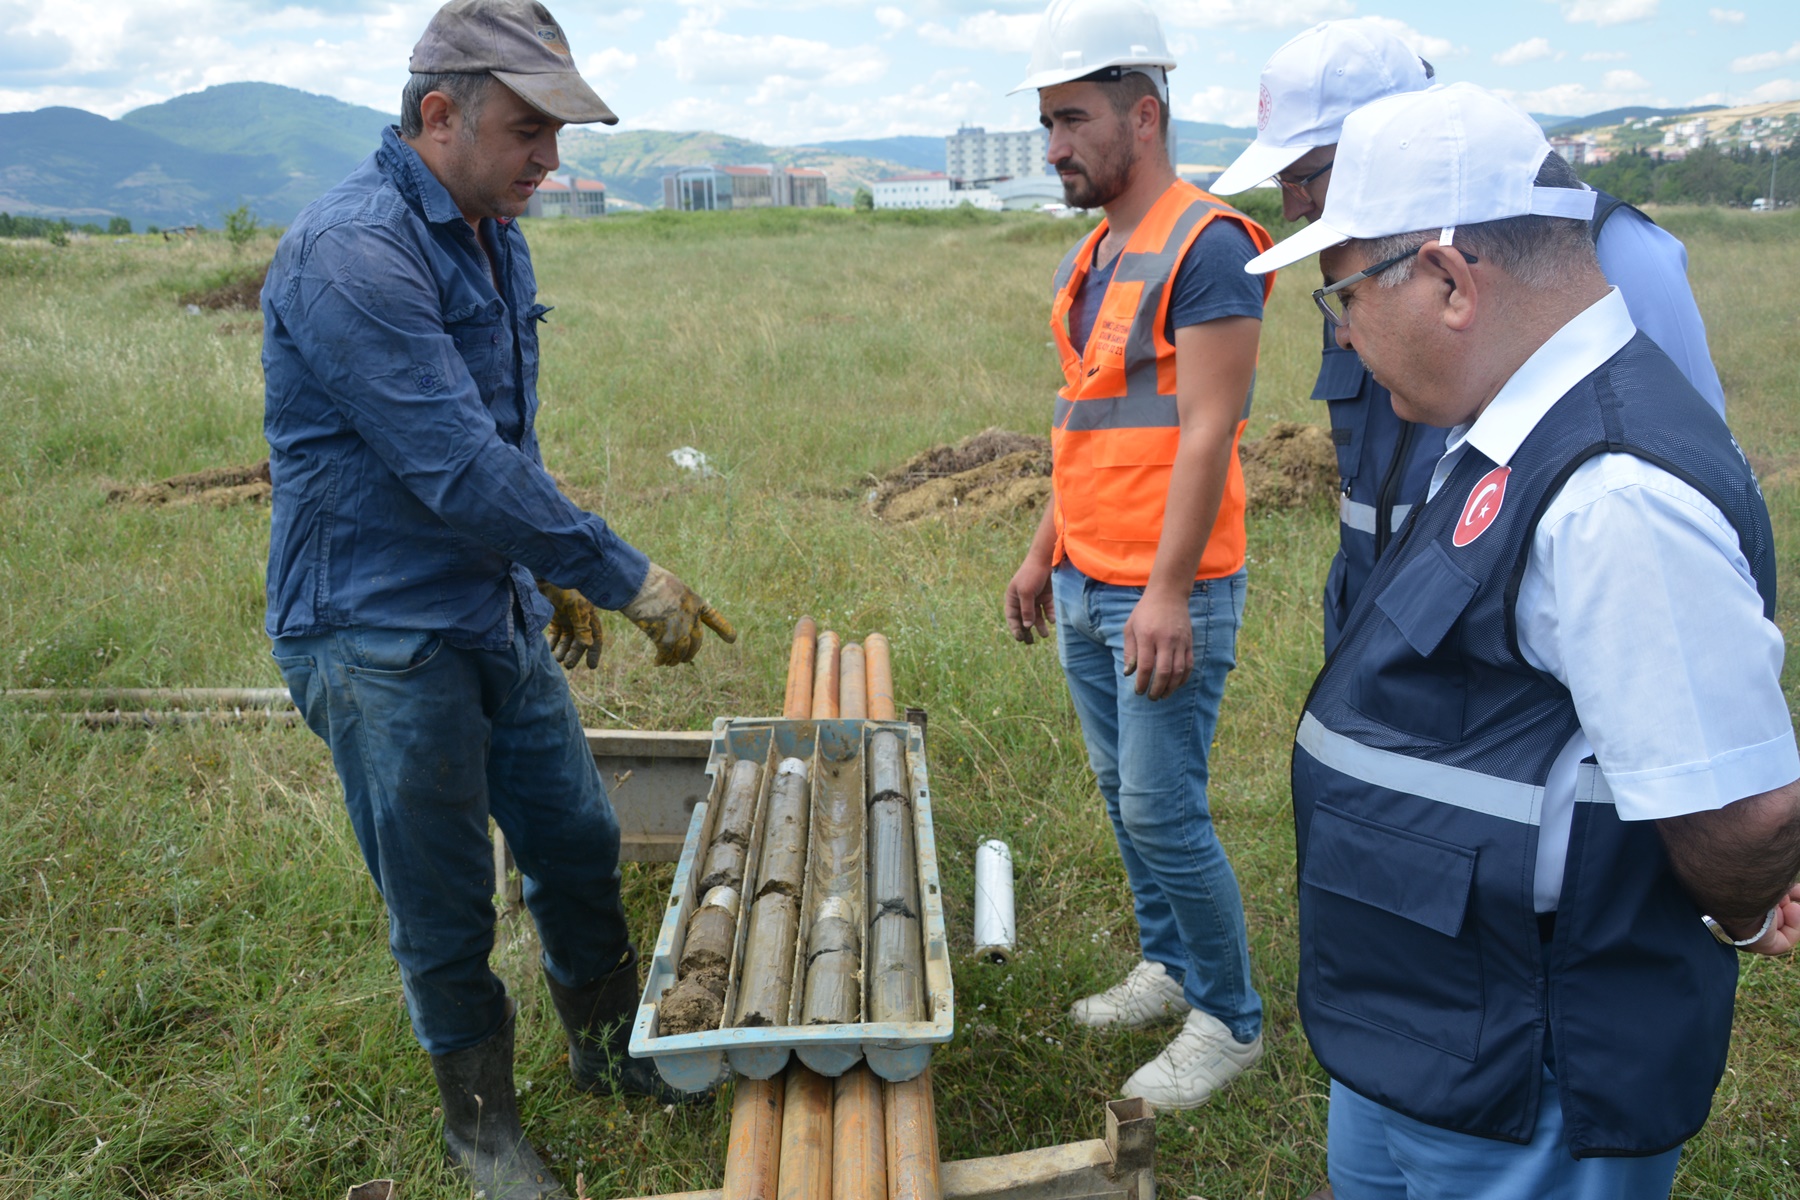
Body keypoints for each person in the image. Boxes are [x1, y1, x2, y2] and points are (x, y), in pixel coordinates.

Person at [1243, 82, 1800, 1198]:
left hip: (1523, 1067)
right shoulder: (1506, 427)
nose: (1341, 331)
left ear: (1449, 280)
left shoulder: (1615, 494)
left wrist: (1740, 908)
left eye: (1341, 293)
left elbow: (1741, 810)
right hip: (1432, 1025)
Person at [260, 3, 733, 1196]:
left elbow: (496, 442)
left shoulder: (490, 232)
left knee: (573, 834)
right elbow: (454, 467)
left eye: (557, 137)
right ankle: (483, 1131)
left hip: (485, 603)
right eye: (531, 131)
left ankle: (610, 1050)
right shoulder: (351, 252)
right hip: (376, 630)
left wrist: (545, 565)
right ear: (438, 116)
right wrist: (620, 574)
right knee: (442, 900)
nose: (551, 163)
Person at [1209, 19, 1729, 656]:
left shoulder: (1601, 247)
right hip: (1382, 609)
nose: (1291, 207)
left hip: (1511, 634)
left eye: (1304, 176)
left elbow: (1687, 472)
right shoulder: (1360, 272)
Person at [1002, 0, 1275, 1111]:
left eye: (1071, 120)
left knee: (1165, 806)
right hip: (1084, 576)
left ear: (1144, 114)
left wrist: (1164, 591)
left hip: (1168, 591)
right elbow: (1087, 422)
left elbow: (1210, 428)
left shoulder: (1209, 246)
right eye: (1046, 124)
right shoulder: (1098, 253)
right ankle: (1169, 965)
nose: (1054, 147)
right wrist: (1041, 553)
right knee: (1125, 798)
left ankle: (1232, 1018)